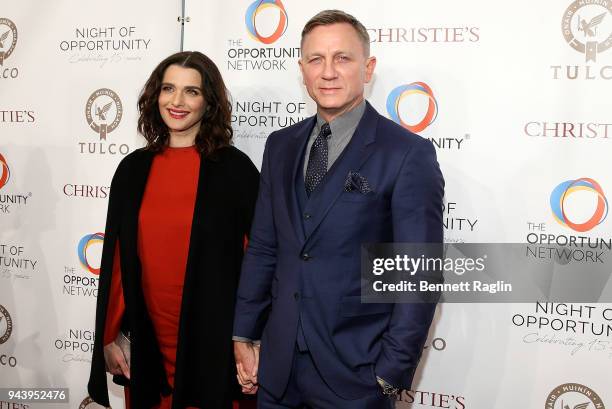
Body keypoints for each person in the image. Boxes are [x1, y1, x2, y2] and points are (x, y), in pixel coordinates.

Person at [232, 9, 444, 409]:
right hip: (276, 374)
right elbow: (263, 247)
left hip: (357, 376)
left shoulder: (406, 154)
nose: (328, 72)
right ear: (302, 69)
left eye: (342, 58)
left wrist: (388, 374)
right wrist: (244, 333)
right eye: (316, 59)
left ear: (368, 68)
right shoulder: (280, 146)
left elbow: (419, 275)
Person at [88, 51, 260, 409]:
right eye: (169, 88)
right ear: (156, 95)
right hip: (146, 346)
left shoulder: (235, 170)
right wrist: (109, 336)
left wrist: (251, 339)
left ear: (209, 102)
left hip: (214, 345)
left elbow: (259, 262)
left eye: (192, 92)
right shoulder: (132, 169)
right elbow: (117, 262)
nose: (177, 101)